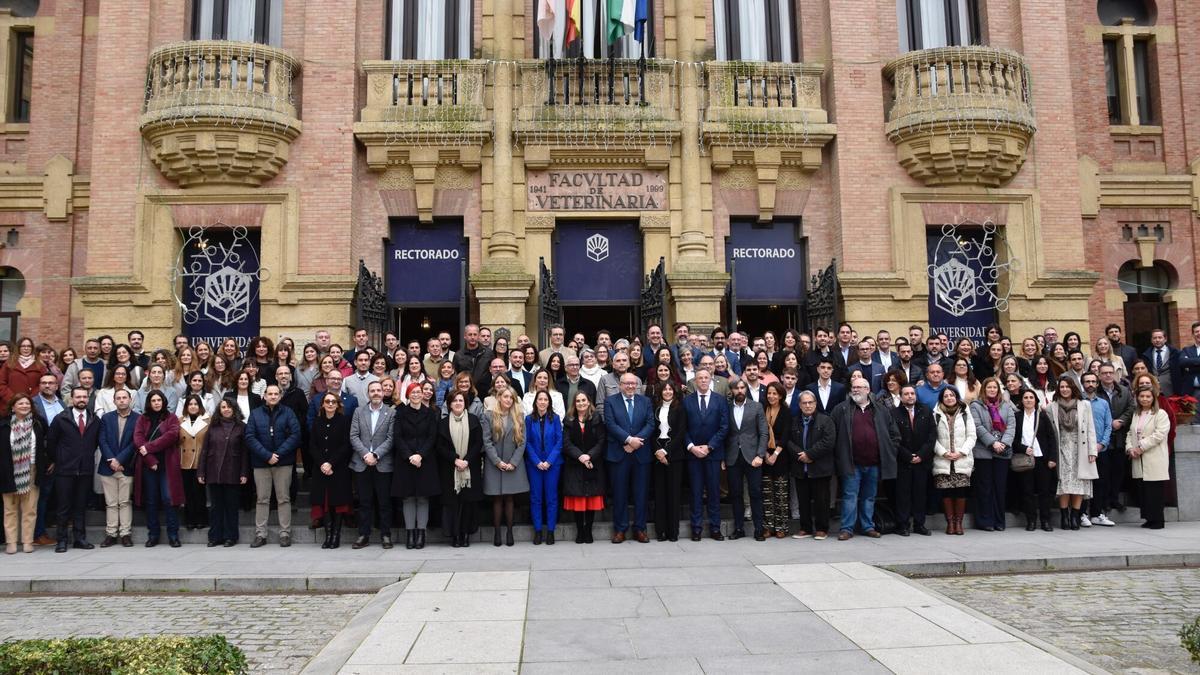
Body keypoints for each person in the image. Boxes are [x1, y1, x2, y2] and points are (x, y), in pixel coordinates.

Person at [832, 378, 900, 540]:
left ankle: (868, 526)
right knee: (850, 496)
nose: (855, 390)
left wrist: (889, 450)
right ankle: (847, 529)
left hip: (874, 463)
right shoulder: (841, 409)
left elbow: (894, 435)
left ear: (868, 390)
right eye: (854, 387)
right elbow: (832, 434)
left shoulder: (881, 410)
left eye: (859, 387)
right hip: (851, 463)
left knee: (869, 497)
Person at [245, 384, 302, 548]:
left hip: (283, 462)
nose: (273, 396)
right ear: (264, 396)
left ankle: (285, 533)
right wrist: (267, 455)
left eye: (276, 394)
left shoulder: (288, 413)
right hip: (261, 463)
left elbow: (295, 435)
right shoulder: (255, 414)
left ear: (280, 396)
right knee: (262, 499)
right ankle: (260, 534)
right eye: (270, 394)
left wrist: (278, 454)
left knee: (283, 498)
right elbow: (250, 437)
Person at [47, 387, 100, 552]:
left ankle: (80, 539)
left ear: (88, 398)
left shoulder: (94, 419)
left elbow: (95, 442)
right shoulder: (60, 419)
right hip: (65, 470)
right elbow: (51, 442)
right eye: (78, 397)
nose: (81, 399)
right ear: (72, 399)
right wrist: (59, 459)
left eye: (84, 397)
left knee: (80, 506)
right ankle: (61, 541)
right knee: (63, 507)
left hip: (85, 469)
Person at [604, 372, 654, 543]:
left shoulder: (645, 401)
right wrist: (628, 440)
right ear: (620, 385)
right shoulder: (610, 401)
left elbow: (650, 424)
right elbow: (610, 424)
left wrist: (635, 442)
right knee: (619, 494)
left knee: (641, 494)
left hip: (641, 454)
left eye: (633, 383)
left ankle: (640, 529)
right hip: (619, 453)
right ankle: (620, 529)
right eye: (627, 383)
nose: (631, 386)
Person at [393, 383, 441, 550]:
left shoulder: (430, 413)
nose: (416, 395)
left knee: (422, 498)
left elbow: (432, 437)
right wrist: (409, 455)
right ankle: (410, 534)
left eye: (418, 392)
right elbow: (397, 436)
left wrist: (420, 455)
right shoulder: (400, 413)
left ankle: (421, 533)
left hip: (425, 460)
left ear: (423, 394)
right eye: (412, 392)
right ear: (408, 395)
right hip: (405, 461)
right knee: (408, 498)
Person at [1046, 377, 1098, 530]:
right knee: (1064, 483)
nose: (1064, 389)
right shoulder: (1052, 407)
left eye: (1067, 386)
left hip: (1080, 448)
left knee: (1079, 483)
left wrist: (1092, 451)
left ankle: (1075, 516)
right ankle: (1064, 516)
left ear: (1073, 388)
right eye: (1062, 387)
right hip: (1061, 448)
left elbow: (1090, 429)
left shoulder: (1084, 405)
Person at [682, 369, 728, 541]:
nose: (702, 380)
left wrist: (709, 447)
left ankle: (715, 528)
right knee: (695, 492)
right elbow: (682, 428)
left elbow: (724, 427)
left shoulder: (720, 400)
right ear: (695, 381)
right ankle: (696, 528)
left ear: (711, 380)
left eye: (706, 378)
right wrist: (691, 447)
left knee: (714, 492)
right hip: (693, 454)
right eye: (699, 378)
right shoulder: (687, 401)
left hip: (713, 453)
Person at [349, 381, 396, 549]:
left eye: (378, 390)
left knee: (384, 503)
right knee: (364, 502)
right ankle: (364, 535)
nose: (376, 393)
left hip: (382, 463)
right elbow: (353, 435)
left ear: (383, 393)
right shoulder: (358, 411)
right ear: (368, 394)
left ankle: (386, 535)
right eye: (372, 391)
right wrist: (365, 454)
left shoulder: (391, 412)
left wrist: (376, 454)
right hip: (362, 463)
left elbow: (391, 438)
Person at [132, 391, 182, 547]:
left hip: (167, 465)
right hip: (149, 465)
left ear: (163, 401)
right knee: (151, 500)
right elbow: (138, 439)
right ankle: (153, 534)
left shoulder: (171, 417)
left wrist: (149, 447)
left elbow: (171, 436)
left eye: (159, 400)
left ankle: (173, 535)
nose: (156, 403)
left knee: (168, 498)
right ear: (149, 403)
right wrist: (150, 459)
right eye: (153, 400)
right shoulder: (142, 418)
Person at [198, 399, 249, 547]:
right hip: (213, 471)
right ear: (219, 410)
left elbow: (245, 453)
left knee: (231, 506)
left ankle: (230, 537)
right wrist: (201, 471)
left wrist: (244, 472)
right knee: (216, 507)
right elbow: (205, 450)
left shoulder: (241, 427)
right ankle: (215, 537)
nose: (226, 409)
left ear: (234, 409)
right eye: (223, 407)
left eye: (229, 407)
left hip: (233, 471)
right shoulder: (213, 427)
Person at [0, 394, 47, 553]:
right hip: (8, 470)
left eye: (27, 403)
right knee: (10, 508)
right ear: (13, 407)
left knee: (30, 508)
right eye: (20, 403)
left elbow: (46, 444)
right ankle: (11, 542)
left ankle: (27, 541)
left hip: (32, 468)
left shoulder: (38, 423)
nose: (24, 406)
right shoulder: (3, 425)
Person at [968, 377, 1016, 532]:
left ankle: (999, 520)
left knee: (1000, 488)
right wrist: (992, 442)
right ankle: (985, 521)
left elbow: (1011, 426)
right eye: (989, 387)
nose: (992, 390)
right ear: (984, 389)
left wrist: (1004, 443)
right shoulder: (976, 406)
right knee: (985, 488)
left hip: (1002, 451)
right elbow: (977, 426)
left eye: (995, 387)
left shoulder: (1006, 406)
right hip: (983, 452)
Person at [481, 387, 527, 547]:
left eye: (511, 398)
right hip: (495, 463)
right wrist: (497, 461)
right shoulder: (489, 415)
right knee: (497, 499)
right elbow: (486, 441)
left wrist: (513, 462)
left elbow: (522, 442)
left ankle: (509, 532)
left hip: (513, 463)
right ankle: (497, 533)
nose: (508, 400)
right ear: (499, 397)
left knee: (509, 498)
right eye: (506, 396)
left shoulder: (519, 416)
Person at [437, 390, 484, 547]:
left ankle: (465, 534)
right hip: (450, 469)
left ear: (465, 404)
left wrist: (466, 460)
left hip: (470, 468)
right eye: (455, 401)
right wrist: (455, 460)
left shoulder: (473, 420)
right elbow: (440, 446)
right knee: (453, 504)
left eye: (461, 400)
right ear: (449, 404)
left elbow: (478, 443)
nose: (458, 403)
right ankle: (455, 535)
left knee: (468, 503)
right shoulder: (443, 423)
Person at [310, 392, 353, 549]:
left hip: (338, 469)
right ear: (322, 404)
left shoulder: (344, 421)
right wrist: (322, 463)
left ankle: (335, 536)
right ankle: (328, 536)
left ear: (338, 404)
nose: (330, 404)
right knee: (325, 502)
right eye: (327, 401)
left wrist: (331, 463)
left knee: (338, 502)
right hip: (321, 469)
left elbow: (346, 445)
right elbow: (312, 445)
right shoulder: (317, 421)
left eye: (333, 402)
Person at [643, 380, 684, 542]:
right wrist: (658, 452)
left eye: (670, 389)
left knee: (674, 494)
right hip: (657, 452)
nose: (667, 392)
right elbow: (652, 431)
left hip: (674, 453)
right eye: (665, 389)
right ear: (660, 392)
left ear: (674, 391)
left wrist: (666, 451)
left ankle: (673, 532)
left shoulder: (680, 408)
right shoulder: (655, 408)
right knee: (660, 494)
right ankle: (660, 531)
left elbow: (681, 433)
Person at [96, 388, 138, 547]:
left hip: (126, 467)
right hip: (108, 467)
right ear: (114, 401)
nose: (121, 400)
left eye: (124, 397)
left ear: (130, 400)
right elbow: (102, 440)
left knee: (125, 501)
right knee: (111, 503)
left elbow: (135, 442)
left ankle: (125, 534)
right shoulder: (106, 418)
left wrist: (120, 460)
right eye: (118, 398)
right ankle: (111, 534)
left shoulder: (138, 418)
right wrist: (112, 460)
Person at [1013, 388, 1058, 531]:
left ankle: (1045, 521)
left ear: (1036, 400)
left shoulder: (1042, 416)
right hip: (1025, 459)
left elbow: (1051, 438)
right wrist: (1023, 448)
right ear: (1022, 400)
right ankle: (1031, 520)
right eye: (1025, 397)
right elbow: (1012, 439)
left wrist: (1052, 458)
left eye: (1031, 397)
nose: (1028, 400)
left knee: (1045, 491)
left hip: (1042, 459)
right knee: (1027, 491)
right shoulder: (1016, 417)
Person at [893, 384, 935, 536]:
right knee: (902, 495)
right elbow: (893, 438)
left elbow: (932, 436)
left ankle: (919, 524)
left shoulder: (926, 410)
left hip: (922, 461)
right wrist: (908, 456)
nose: (910, 396)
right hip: (903, 461)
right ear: (900, 396)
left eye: (912, 393)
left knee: (920, 494)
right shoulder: (893, 413)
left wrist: (921, 455)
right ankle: (903, 525)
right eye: (906, 394)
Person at [932, 387, 975, 535]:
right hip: (943, 460)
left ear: (957, 397)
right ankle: (950, 523)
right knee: (947, 492)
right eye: (946, 396)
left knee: (961, 492)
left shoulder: (965, 413)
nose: (949, 398)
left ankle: (958, 523)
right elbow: (932, 438)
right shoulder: (936, 414)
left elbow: (972, 436)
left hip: (961, 459)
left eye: (952, 395)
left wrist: (961, 452)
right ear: (941, 399)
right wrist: (943, 453)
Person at [1128, 384, 1171, 529]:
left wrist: (1141, 447)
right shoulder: (1136, 414)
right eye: (1142, 396)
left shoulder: (1160, 414)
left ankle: (1158, 520)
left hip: (1154, 457)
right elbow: (1130, 433)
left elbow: (1159, 435)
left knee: (1155, 491)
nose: (1144, 399)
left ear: (1153, 398)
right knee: (1144, 491)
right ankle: (1149, 518)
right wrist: (1130, 448)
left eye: (1148, 396)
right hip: (1138, 458)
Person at [524, 390, 563, 545]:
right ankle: (538, 531)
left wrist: (549, 461)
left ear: (549, 402)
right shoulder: (529, 419)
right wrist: (537, 461)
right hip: (535, 465)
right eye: (540, 399)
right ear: (536, 402)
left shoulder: (556, 418)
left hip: (552, 465)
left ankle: (551, 531)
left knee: (551, 498)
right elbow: (526, 442)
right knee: (536, 498)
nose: (542, 402)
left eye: (545, 399)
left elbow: (559, 442)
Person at [1079, 372, 1114, 527]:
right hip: (1083, 449)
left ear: (1097, 383)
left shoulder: (1104, 403)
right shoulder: (1078, 402)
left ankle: (1096, 513)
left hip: (1101, 448)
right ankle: (1081, 513)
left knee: (1101, 482)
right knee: (1084, 481)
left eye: (1093, 381)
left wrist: (1103, 444)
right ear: (1082, 384)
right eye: (1087, 381)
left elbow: (1108, 425)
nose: (1090, 384)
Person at [760, 381, 791, 538]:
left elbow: (786, 435)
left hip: (781, 454)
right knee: (767, 493)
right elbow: (760, 432)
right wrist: (765, 453)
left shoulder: (786, 411)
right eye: (769, 393)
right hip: (765, 453)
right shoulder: (762, 409)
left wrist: (775, 454)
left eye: (775, 393)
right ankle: (768, 527)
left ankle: (781, 527)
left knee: (780, 493)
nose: (771, 396)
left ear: (780, 395)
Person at [177, 394, 209, 531]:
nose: (193, 406)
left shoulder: (208, 420)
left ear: (200, 406)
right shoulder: (180, 421)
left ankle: (201, 519)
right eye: (190, 404)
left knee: (199, 492)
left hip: (200, 461)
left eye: (196, 404)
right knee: (188, 492)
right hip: (184, 461)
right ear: (186, 406)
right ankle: (189, 520)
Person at [0, 337, 47, 415]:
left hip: (32, 404)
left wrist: (30, 399)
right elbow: (1, 383)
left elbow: (44, 383)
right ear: (19, 348)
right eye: (23, 346)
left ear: (32, 348)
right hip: (9, 405)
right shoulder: (9, 363)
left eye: (29, 346)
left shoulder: (40, 365)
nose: (26, 348)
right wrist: (13, 399)